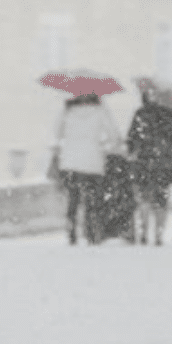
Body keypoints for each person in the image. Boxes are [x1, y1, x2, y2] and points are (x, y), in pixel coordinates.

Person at [51, 93, 123, 245]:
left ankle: (71, 232)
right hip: (93, 162)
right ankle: (91, 232)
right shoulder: (100, 111)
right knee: (92, 200)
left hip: (70, 161)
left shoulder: (67, 111)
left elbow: (56, 133)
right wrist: (103, 143)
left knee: (72, 198)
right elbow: (114, 135)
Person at [127, 90, 172, 245]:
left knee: (144, 197)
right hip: (164, 162)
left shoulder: (140, 113)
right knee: (161, 199)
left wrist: (135, 150)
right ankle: (158, 234)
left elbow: (131, 139)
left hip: (144, 160)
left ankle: (143, 232)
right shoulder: (169, 114)